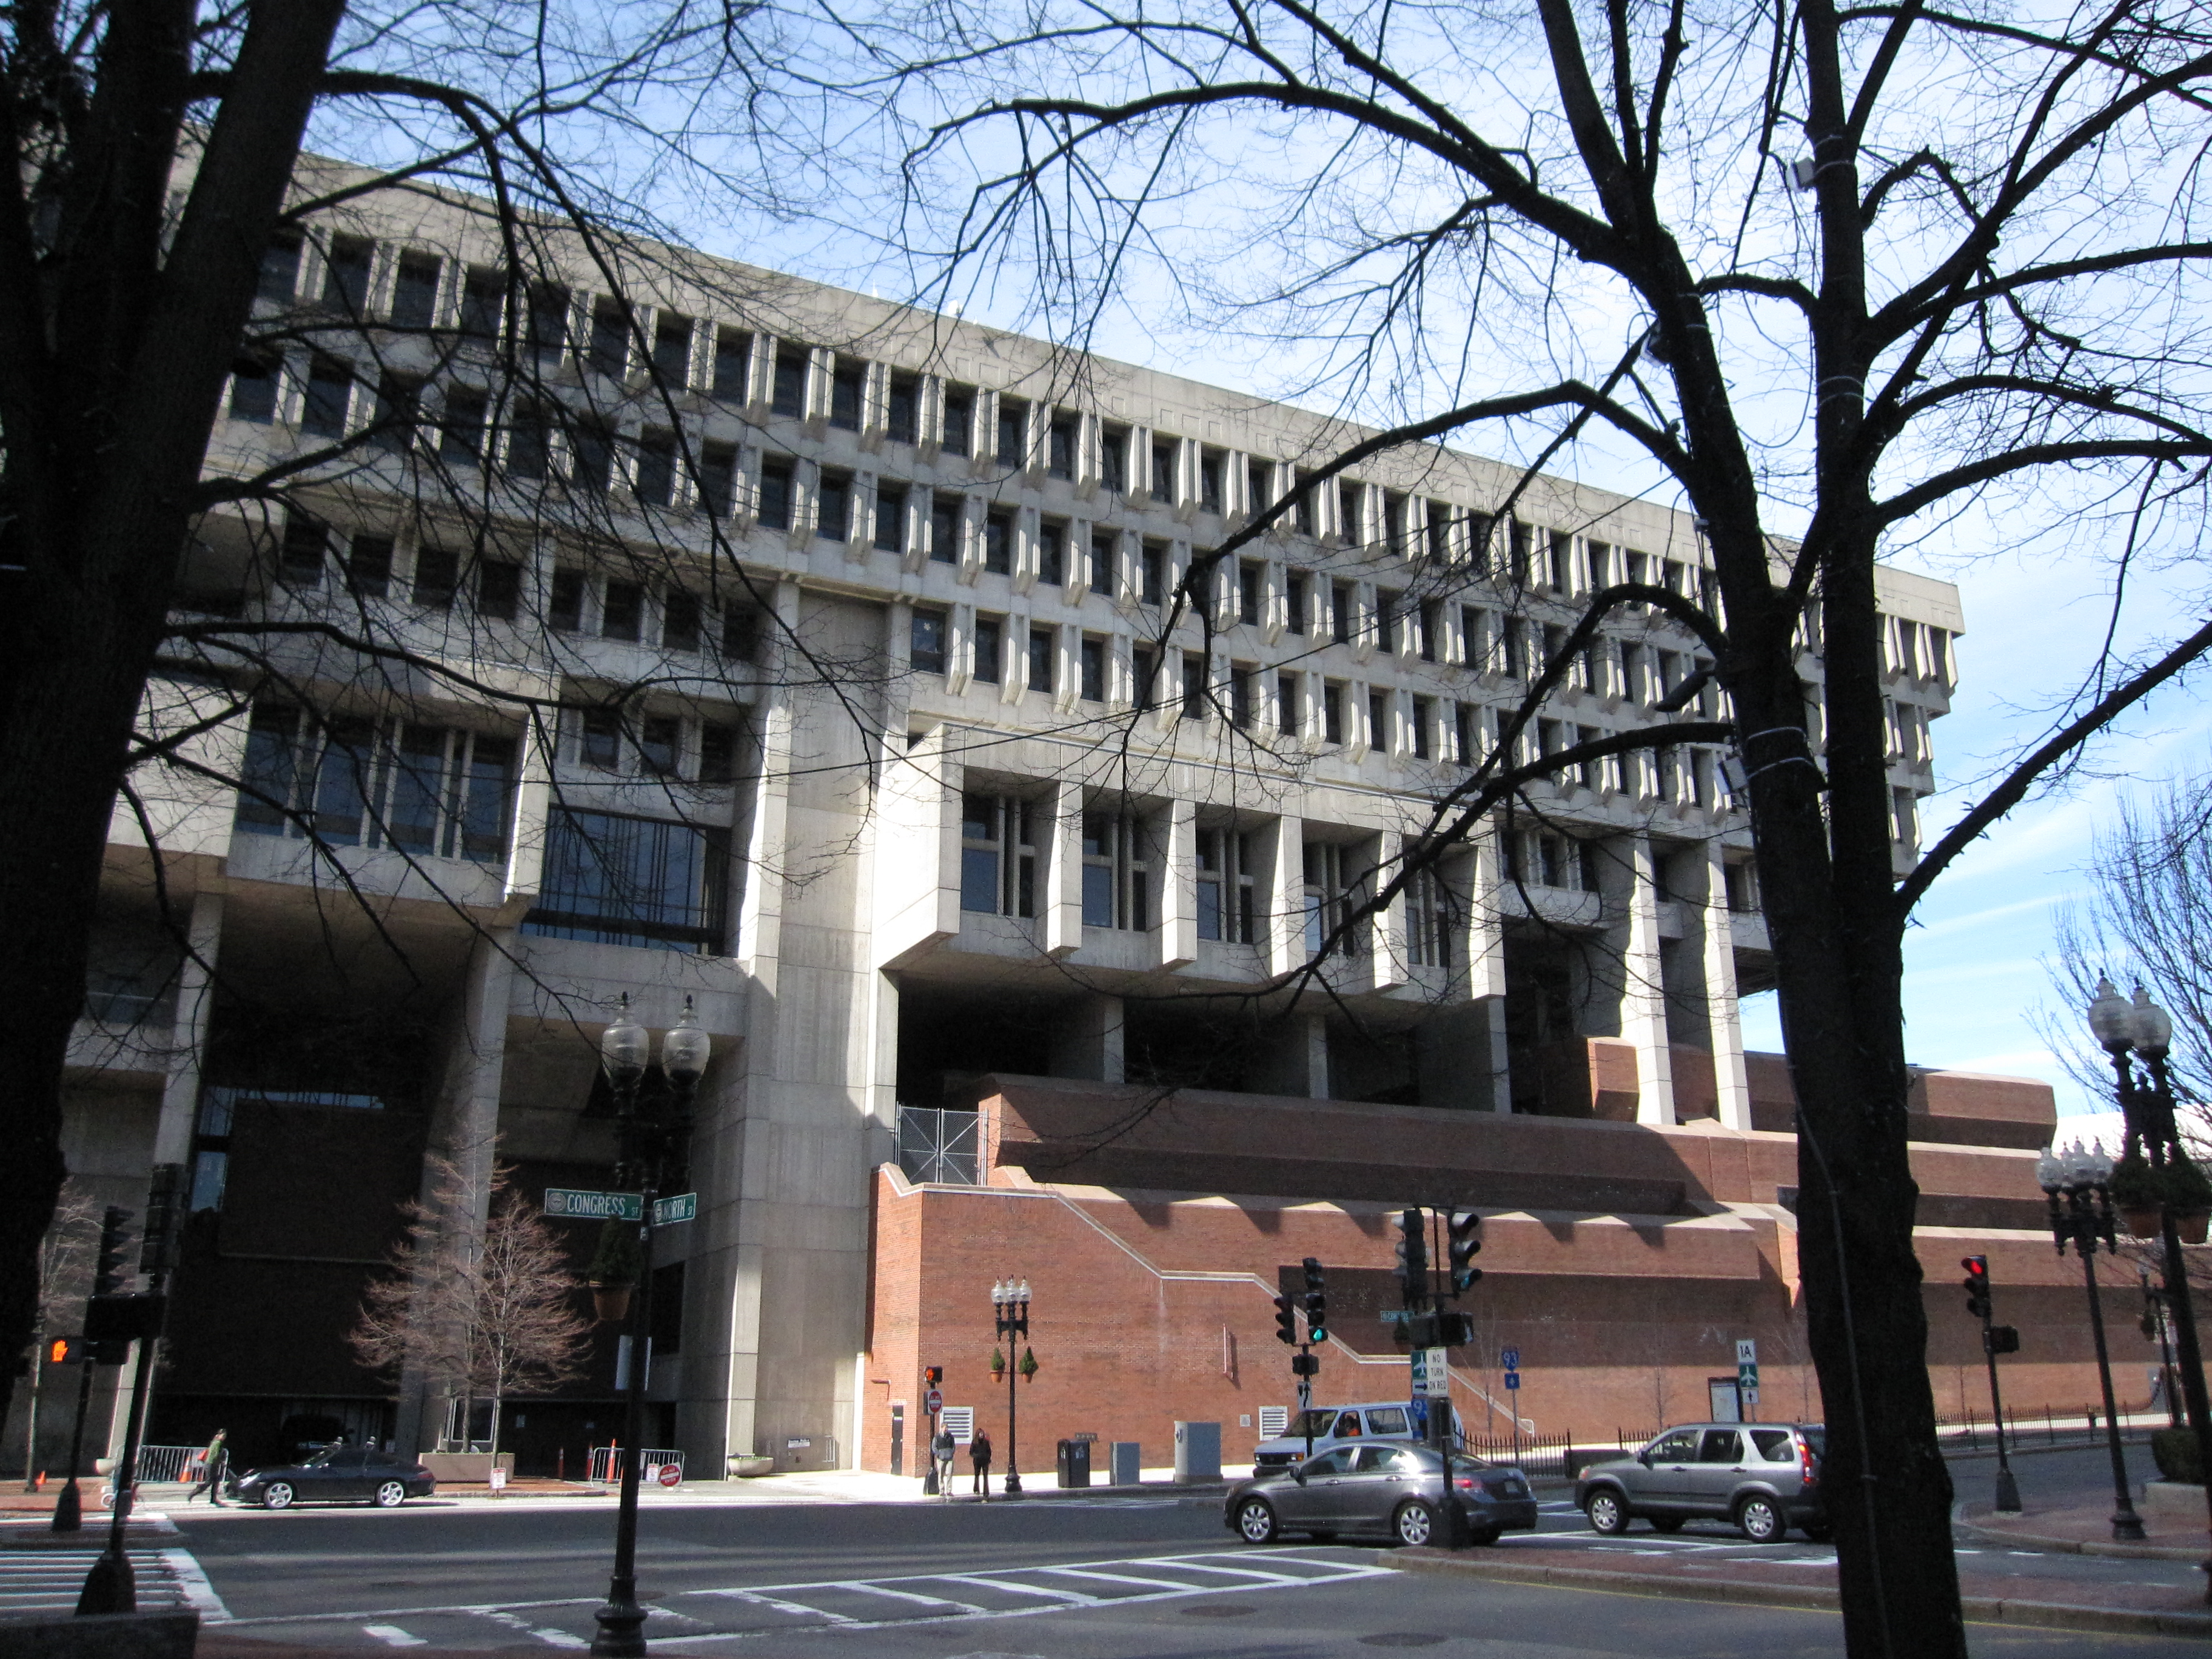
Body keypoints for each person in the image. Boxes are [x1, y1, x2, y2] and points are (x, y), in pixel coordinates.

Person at [187, 1430, 229, 1507]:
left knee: (216, 1481)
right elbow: (216, 1455)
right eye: (223, 1436)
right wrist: (221, 1461)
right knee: (209, 1482)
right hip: (212, 1464)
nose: (224, 1438)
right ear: (218, 1435)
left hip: (211, 1464)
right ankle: (193, 1494)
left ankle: (213, 1499)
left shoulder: (214, 1442)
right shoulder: (218, 1443)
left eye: (225, 1436)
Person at [969, 1426, 993, 1498]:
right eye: (980, 1434)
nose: (982, 1435)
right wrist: (977, 1456)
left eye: (982, 1434)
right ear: (978, 1434)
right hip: (977, 1461)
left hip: (985, 1461)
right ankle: (976, 1489)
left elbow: (989, 1451)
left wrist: (988, 1458)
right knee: (977, 1475)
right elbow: (971, 1452)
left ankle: (986, 1492)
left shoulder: (986, 1442)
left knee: (986, 1476)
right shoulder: (974, 1442)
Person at [931, 1426, 955, 1495]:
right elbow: (934, 1447)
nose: (946, 1430)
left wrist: (951, 1453)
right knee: (941, 1474)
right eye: (945, 1428)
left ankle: (949, 1491)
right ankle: (941, 1491)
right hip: (941, 1458)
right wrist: (938, 1454)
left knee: (949, 1474)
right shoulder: (937, 1437)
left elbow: (953, 1446)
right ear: (942, 1428)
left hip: (949, 1458)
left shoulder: (950, 1437)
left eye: (947, 1428)